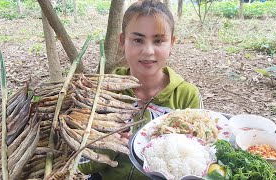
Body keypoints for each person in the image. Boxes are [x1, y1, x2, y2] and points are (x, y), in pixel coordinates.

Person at [79, 0, 202, 179]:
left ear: (172, 43)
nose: (148, 51)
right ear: (122, 41)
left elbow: (197, 164)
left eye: (158, 40)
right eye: (138, 40)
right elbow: (83, 165)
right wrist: (110, 144)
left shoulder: (186, 97)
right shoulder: (103, 92)